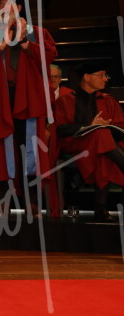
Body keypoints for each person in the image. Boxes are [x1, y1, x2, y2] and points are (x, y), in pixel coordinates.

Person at [0, 0, 57, 216]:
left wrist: (24, 41)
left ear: (18, 8)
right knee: (0, 152)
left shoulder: (35, 32)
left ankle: (33, 201)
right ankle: (2, 200)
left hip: (28, 99)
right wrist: (3, 41)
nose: (3, 8)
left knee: (30, 150)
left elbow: (48, 58)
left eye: (8, 4)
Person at [53, 61, 124, 221]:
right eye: (101, 75)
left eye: (105, 76)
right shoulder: (65, 100)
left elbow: (121, 129)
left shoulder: (108, 100)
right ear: (86, 77)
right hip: (75, 144)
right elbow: (60, 129)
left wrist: (107, 127)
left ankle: (100, 209)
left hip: (102, 147)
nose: (105, 79)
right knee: (101, 134)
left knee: (103, 146)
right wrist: (88, 127)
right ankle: (100, 206)